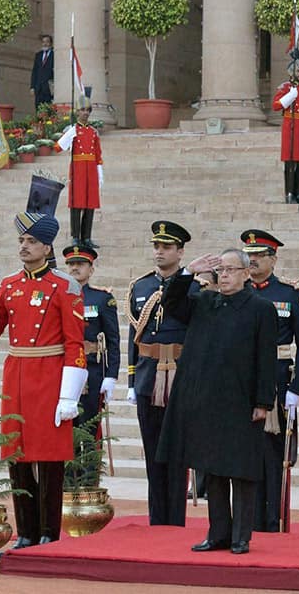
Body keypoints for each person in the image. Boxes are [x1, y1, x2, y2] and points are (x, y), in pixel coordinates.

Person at [0, 211, 88, 551]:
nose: (24, 247)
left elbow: (74, 342)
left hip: (50, 374)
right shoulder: (8, 285)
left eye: (31, 241)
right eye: (21, 241)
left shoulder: (64, 286)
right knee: (17, 454)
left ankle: (48, 531)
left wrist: (69, 396)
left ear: (47, 246)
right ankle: (25, 529)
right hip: (17, 374)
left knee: (49, 456)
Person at [156, 249, 277, 555]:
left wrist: (263, 401)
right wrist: (187, 273)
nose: (223, 275)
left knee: (242, 470)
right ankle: (218, 532)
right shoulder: (204, 302)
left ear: (245, 274)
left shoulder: (260, 309)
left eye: (230, 270)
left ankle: (241, 536)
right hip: (207, 400)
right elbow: (171, 304)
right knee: (214, 470)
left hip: (242, 400)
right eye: (220, 270)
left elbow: (266, 358)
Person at [240, 229, 299, 532]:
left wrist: (297, 389)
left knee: (273, 455)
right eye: (249, 256)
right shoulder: (237, 291)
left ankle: (272, 520)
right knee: (244, 454)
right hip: (242, 381)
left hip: (276, 381)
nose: (253, 261)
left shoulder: (290, 293)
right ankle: (245, 520)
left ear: (273, 258)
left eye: (259, 255)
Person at [126, 220, 198, 525]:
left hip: (179, 374)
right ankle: (157, 519)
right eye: (156, 246)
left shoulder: (195, 287)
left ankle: (176, 520)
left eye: (166, 247)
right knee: (152, 450)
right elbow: (135, 335)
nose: (159, 252)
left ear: (180, 252)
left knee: (177, 454)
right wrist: (132, 379)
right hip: (148, 374)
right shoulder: (140, 286)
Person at [62, 244, 120, 485]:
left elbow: (113, 340)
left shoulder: (101, 298)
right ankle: (66, 481)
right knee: (66, 428)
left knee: (90, 429)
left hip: (93, 371)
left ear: (91, 269)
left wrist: (111, 375)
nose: (75, 268)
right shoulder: (61, 295)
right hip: (65, 371)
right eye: (71, 264)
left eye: (81, 264)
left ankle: (89, 482)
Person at [54, 93, 102, 247]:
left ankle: (86, 237)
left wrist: (100, 173)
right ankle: (75, 236)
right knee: (77, 203)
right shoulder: (73, 130)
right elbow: (57, 148)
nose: (85, 113)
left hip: (91, 170)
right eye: (82, 110)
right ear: (77, 112)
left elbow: (98, 154)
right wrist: (68, 136)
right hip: (78, 169)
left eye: (88, 110)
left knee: (90, 203)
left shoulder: (93, 132)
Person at [272, 55, 299, 204]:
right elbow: (276, 106)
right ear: (291, 73)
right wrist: (289, 97)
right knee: (290, 159)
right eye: (297, 70)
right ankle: (289, 193)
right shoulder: (285, 88)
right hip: (291, 125)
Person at [30, 34, 54, 110]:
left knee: (48, 109)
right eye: (43, 42)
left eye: (47, 42)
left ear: (51, 43)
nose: (45, 44)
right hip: (39, 88)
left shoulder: (54, 54)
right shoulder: (38, 55)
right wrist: (32, 87)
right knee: (38, 109)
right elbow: (35, 71)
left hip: (49, 88)